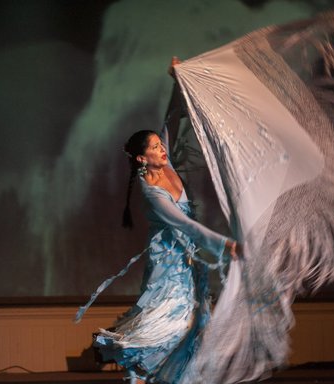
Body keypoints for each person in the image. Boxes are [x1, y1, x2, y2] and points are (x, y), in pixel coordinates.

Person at [90, 59, 238, 384]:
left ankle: (170, 378)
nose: (162, 150)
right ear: (142, 158)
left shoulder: (166, 160)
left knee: (196, 327)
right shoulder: (151, 193)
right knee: (166, 327)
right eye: (155, 148)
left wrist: (176, 77)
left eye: (160, 145)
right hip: (169, 264)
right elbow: (185, 225)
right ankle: (139, 376)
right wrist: (225, 244)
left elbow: (171, 117)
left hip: (189, 260)